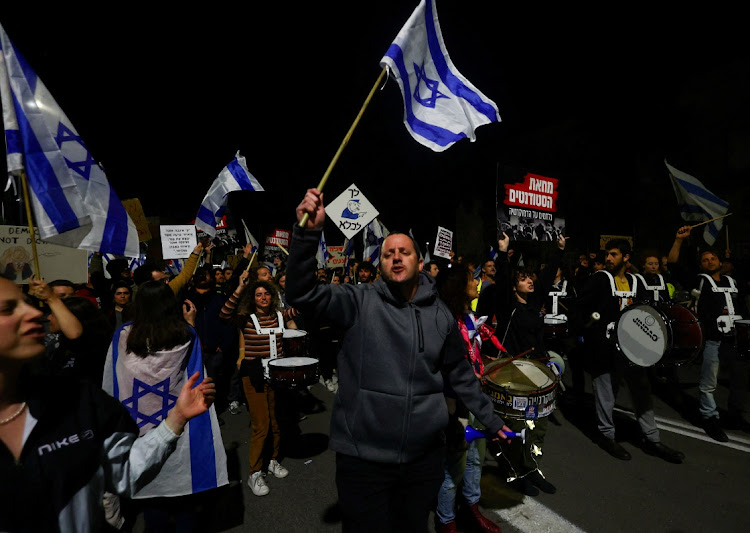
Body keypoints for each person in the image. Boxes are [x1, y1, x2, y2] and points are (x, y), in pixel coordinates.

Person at [287, 189, 510, 533]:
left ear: (419, 263)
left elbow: (460, 374)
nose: (395, 257)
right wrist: (306, 235)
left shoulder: (440, 314)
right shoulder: (356, 301)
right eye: (388, 253)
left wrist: (492, 421)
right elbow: (301, 293)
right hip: (364, 461)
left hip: (422, 461)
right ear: (381, 264)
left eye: (404, 252)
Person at [0, 276, 216, 532]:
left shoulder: (77, 403)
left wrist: (176, 419)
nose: (37, 313)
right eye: (7, 308)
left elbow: (123, 472)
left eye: (30, 303)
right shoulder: (176, 335)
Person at [102, 280, 228, 530]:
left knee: (152, 498)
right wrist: (190, 324)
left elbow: (112, 381)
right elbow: (195, 376)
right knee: (183, 501)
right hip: (179, 426)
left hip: (139, 428)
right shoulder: (186, 334)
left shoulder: (124, 336)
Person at [574, 238, 685, 463]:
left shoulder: (637, 281)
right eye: (607, 254)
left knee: (642, 391)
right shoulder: (600, 279)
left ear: (626, 257)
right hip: (606, 350)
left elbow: (645, 313)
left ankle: (651, 438)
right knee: (606, 393)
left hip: (633, 349)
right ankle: (607, 436)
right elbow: (579, 308)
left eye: (613, 254)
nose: (607, 258)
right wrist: (588, 336)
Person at [492, 232, 566, 495]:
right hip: (514, 375)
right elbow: (502, 280)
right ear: (514, 287)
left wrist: (558, 250)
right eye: (523, 279)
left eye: (529, 277)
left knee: (539, 424)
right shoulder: (507, 305)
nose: (530, 281)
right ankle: (514, 472)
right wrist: (503, 252)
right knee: (517, 426)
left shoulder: (535, 305)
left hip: (539, 374)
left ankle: (532, 467)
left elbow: (546, 280)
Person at [435, 264, 503, 533]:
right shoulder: (443, 319)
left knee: (477, 456)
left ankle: (471, 508)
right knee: (455, 463)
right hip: (454, 400)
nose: (477, 282)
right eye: (471, 280)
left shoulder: (467, 314)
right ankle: (446, 520)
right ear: (458, 286)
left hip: (474, 396)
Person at [669, 226, 750, 439]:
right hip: (714, 340)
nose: (709, 261)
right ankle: (709, 418)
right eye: (705, 260)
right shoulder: (700, 282)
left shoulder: (734, 282)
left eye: (713, 258)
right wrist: (679, 241)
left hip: (738, 340)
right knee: (709, 382)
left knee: (739, 381)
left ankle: (735, 416)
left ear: (721, 262)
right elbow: (674, 265)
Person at [220, 274, 297, 496]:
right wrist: (239, 288)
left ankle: (272, 461)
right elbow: (224, 315)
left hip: (276, 376)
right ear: (253, 299)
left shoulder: (280, 316)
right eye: (258, 294)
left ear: (273, 297)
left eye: (266, 294)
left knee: (276, 421)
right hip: (253, 377)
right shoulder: (246, 318)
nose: (263, 297)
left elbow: (302, 308)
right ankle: (254, 473)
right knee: (261, 424)